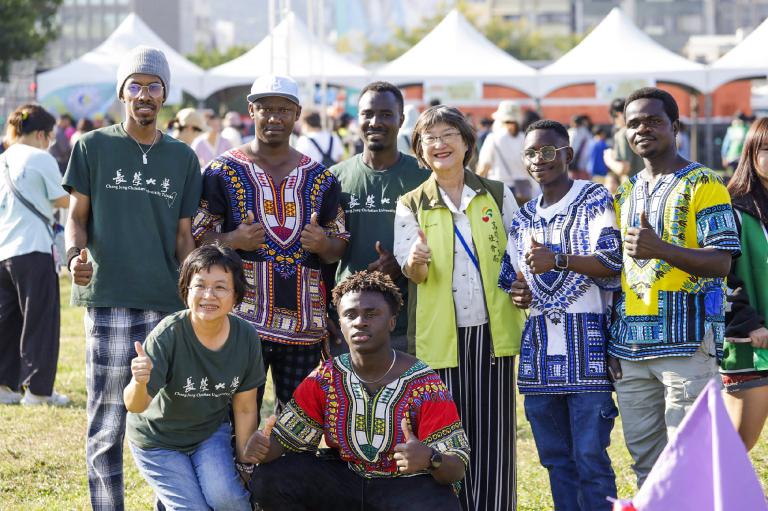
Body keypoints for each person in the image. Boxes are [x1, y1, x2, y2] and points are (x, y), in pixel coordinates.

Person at [63, 45, 203, 510]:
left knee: (166, 419)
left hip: (166, 302)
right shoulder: (92, 146)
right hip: (109, 298)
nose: (145, 94)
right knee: (107, 422)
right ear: (122, 93)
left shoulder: (182, 158)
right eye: (136, 85)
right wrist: (74, 255)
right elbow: (76, 217)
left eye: (154, 85)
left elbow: (184, 236)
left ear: (164, 94)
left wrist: (193, 292)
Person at [394, 105, 526, 511]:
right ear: (420, 150)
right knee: (444, 434)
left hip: (492, 331)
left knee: (494, 430)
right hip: (440, 337)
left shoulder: (496, 195)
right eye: (429, 138)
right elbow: (411, 271)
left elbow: (518, 254)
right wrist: (416, 260)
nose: (440, 144)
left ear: (467, 142)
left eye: (448, 135)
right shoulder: (411, 203)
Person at [246, 270, 470, 510]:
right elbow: (285, 442)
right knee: (270, 479)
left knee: (441, 504)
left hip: (403, 487)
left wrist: (430, 458)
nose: (360, 321)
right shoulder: (326, 377)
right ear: (341, 324)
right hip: (345, 480)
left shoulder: (424, 384)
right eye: (350, 315)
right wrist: (263, 448)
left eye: (371, 314)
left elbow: (456, 467)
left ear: (392, 321)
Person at [192, 74, 349, 414]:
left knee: (299, 420)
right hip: (241, 321)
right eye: (265, 109)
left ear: (297, 114)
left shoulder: (321, 178)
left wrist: (323, 244)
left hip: (305, 323)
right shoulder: (221, 172)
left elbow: (339, 243)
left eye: (284, 109)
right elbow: (198, 236)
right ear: (251, 111)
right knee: (235, 414)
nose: (274, 117)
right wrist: (233, 239)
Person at [608, 87, 740, 487]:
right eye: (634, 123)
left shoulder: (704, 182)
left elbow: (722, 261)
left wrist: (661, 248)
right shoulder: (626, 191)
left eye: (653, 121)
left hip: (687, 344)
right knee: (646, 467)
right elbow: (619, 273)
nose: (642, 129)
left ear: (675, 126)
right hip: (631, 350)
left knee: (692, 461)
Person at [498, 119, 622, 510]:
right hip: (538, 360)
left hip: (588, 354)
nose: (540, 159)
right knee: (555, 460)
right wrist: (518, 292)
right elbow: (511, 279)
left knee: (590, 457)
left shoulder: (593, 197)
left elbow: (613, 262)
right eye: (531, 153)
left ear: (567, 154)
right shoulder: (523, 218)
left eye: (549, 150)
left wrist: (560, 259)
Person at [124, 244, 264, 511]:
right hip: (158, 441)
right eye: (199, 285)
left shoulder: (246, 337)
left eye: (220, 287)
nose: (209, 295)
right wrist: (139, 381)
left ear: (236, 295)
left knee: (230, 501)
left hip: (208, 433)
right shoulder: (169, 334)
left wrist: (246, 461)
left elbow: (245, 408)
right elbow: (134, 405)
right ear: (186, 290)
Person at [332, 81, 430, 354]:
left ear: (401, 120)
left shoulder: (424, 177)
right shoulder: (335, 178)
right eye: (368, 114)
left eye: (386, 114)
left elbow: (440, 243)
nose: (375, 122)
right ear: (358, 118)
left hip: (407, 322)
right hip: (349, 319)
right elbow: (325, 253)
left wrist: (403, 263)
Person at [0, 104, 70, 406]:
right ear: (42, 134)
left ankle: (6, 387)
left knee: (7, 321)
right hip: (34, 248)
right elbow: (62, 199)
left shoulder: (3, 159)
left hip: (4, 250)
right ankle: (39, 391)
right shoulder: (40, 158)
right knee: (41, 321)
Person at [721, 116, 768, 451]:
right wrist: (747, 323)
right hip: (751, 343)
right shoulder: (732, 207)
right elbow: (718, 274)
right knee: (736, 444)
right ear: (751, 151)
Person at [477, 100, 536, 204]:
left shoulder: (493, 138)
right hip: (523, 190)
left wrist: (476, 188)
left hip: (499, 189)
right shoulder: (525, 138)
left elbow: (484, 167)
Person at [604, 98, 645, 179]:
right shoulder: (644, 130)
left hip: (633, 183)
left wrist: (608, 159)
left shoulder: (622, 134)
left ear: (619, 114)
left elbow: (624, 169)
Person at [568, 114, 593, 180]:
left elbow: (571, 147)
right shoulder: (586, 132)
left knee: (573, 180)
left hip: (574, 161)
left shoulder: (571, 132)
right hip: (584, 162)